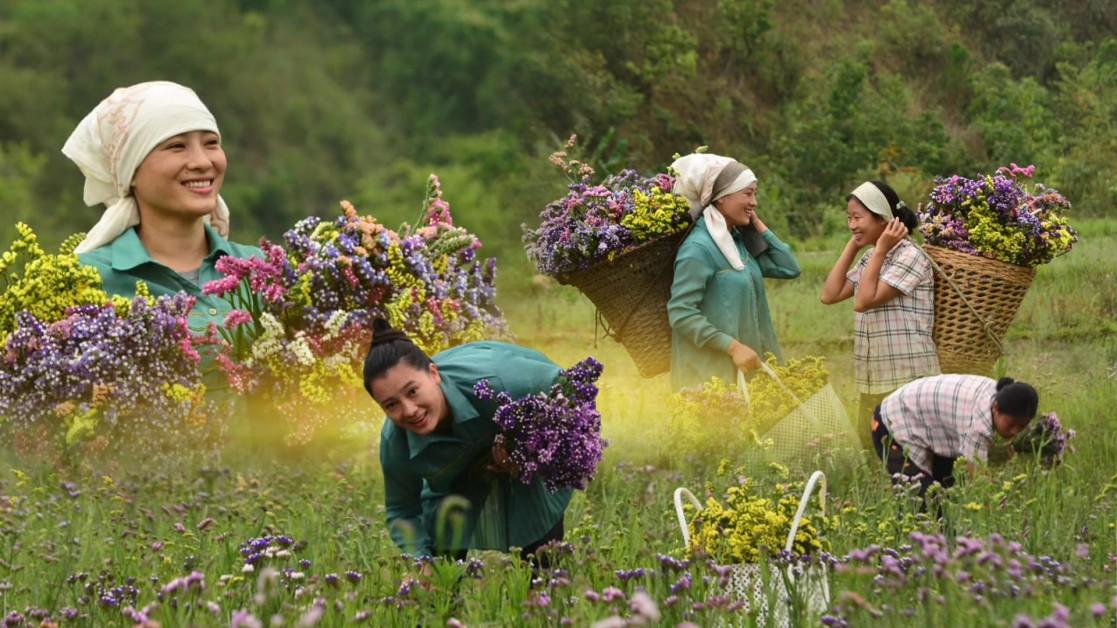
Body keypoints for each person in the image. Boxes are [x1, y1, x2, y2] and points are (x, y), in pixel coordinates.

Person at [363, 319, 571, 561]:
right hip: (455, 469)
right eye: (391, 405)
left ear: (433, 374)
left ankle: (541, 578)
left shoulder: (499, 382)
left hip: (517, 430)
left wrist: (528, 452)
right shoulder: (396, 441)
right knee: (441, 562)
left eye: (412, 391)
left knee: (541, 555)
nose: (409, 410)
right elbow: (402, 510)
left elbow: (567, 389)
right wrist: (422, 560)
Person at [63, 81, 260, 330]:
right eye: (177, 146)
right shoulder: (85, 281)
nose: (202, 162)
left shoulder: (263, 269)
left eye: (211, 143)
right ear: (130, 172)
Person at [819, 180, 939, 449]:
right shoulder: (871, 257)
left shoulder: (910, 256)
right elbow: (830, 294)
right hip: (874, 377)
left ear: (883, 218)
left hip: (906, 377)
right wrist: (854, 246)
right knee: (872, 453)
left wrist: (881, 249)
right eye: (849, 218)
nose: (852, 225)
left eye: (858, 218)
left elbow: (863, 301)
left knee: (903, 456)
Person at [667, 153, 801, 391]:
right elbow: (681, 313)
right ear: (721, 197)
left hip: (745, 374)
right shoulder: (698, 249)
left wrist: (757, 224)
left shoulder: (738, 242)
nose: (754, 202)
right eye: (748, 194)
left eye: (755, 194)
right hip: (709, 382)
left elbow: (789, 267)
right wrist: (733, 347)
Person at [872, 374, 1038, 494]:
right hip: (891, 422)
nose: (1015, 431)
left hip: (927, 422)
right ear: (996, 408)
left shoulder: (1002, 392)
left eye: (1022, 426)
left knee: (949, 490)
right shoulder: (979, 424)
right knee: (921, 498)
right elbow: (978, 480)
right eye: (1011, 424)